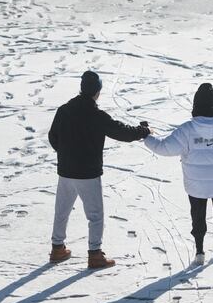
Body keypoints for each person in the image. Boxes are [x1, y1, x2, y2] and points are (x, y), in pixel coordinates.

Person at [144, 83, 213, 265]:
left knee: (198, 215)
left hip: (195, 185)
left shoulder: (187, 130)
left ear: (196, 106)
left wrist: (146, 136)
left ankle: (199, 252)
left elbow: (163, 147)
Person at [48, 71, 150, 268]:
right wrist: (142, 131)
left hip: (66, 172)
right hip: (88, 174)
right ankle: (95, 254)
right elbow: (120, 131)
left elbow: (53, 137)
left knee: (62, 211)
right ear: (97, 91)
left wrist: (66, 155)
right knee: (95, 215)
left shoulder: (64, 110)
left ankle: (57, 249)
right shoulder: (96, 115)